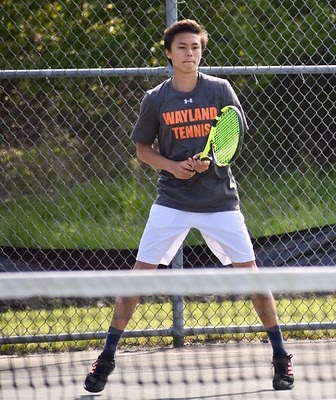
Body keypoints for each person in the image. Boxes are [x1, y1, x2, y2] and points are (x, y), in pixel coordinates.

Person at [84, 19, 294, 393]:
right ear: (169, 53)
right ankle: (107, 357)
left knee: (254, 278)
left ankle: (281, 357)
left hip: (219, 201)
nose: (190, 53)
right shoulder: (156, 98)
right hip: (172, 200)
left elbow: (231, 136)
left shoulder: (220, 90)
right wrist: (173, 166)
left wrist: (209, 161)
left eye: (195, 47)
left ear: (201, 51)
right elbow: (143, 149)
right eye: (182, 47)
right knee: (137, 277)